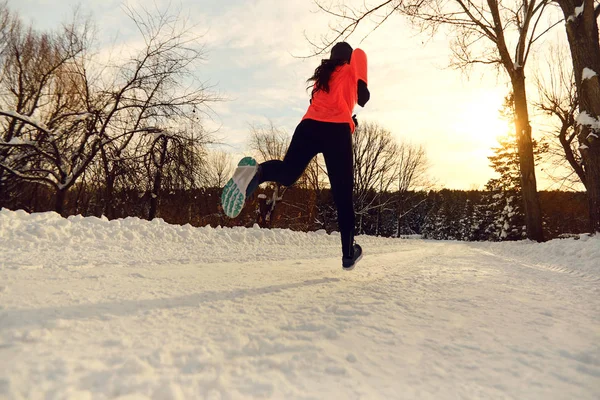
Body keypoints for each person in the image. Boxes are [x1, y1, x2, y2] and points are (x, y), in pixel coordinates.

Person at [222, 42, 370, 270]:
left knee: (288, 172)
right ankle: (348, 253)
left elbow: (327, 106)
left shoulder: (323, 78)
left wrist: (351, 121)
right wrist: (362, 84)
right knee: (343, 195)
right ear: (348, 59)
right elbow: (360, 55)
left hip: (309, 127)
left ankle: (257, 173)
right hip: (336, 133)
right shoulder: (352, 67)